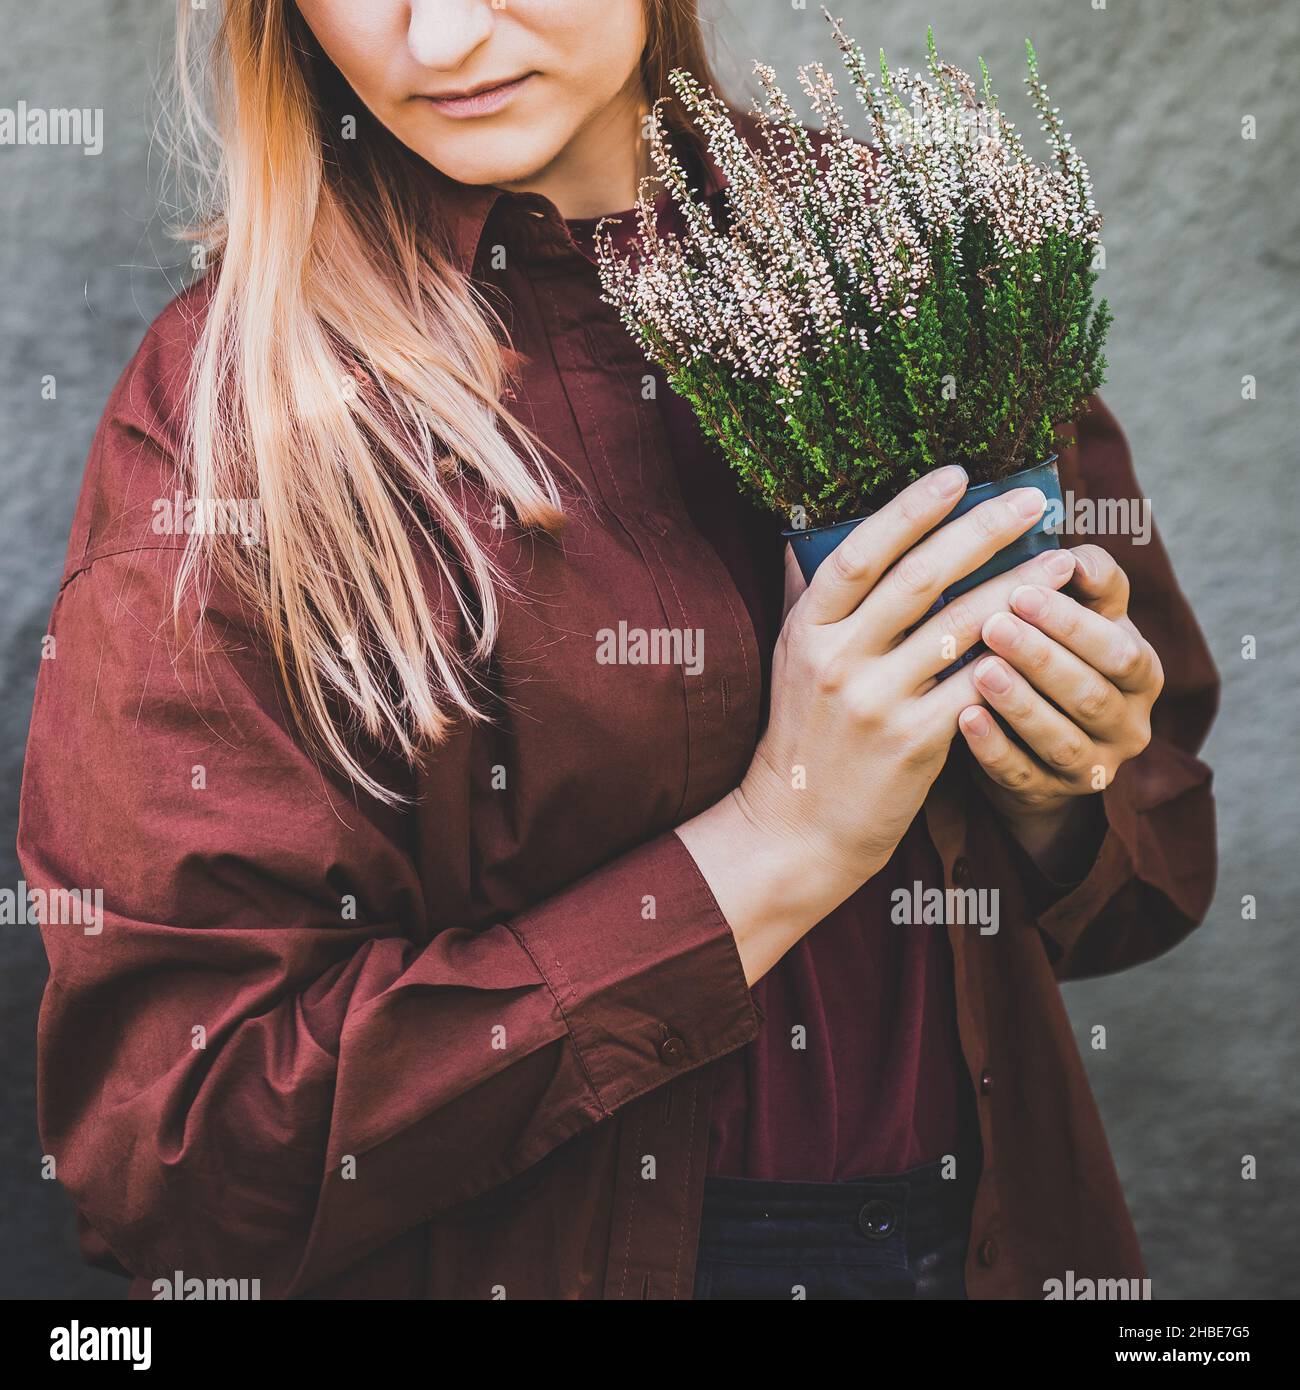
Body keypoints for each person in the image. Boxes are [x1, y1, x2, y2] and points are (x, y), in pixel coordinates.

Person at [19, 0, 1218, 1300]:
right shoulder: (225, 422)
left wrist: (1055, 788)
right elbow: (183, 1160)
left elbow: (1153, 865)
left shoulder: (905, 254)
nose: (442, 39)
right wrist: (778, 844)